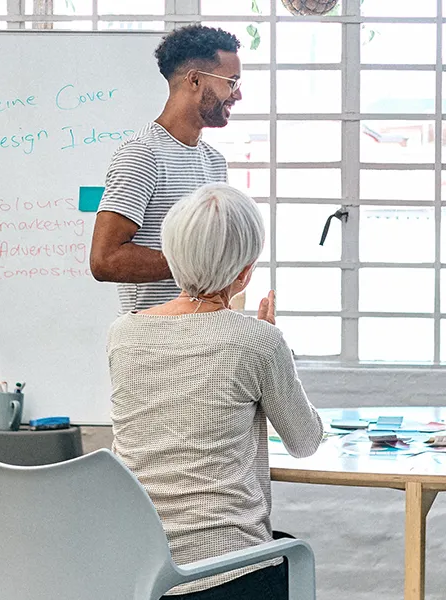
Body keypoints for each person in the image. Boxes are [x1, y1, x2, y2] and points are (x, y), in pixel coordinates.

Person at [108, 183, 322, 600]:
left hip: (140, 570)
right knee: (286, 549)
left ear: (170, 257)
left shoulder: (122, 334)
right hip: (227, 571)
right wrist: (272, 342)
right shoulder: (258, 341)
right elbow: (305, 441)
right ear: (244, 272)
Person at [91, 25, 244, 314]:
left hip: (205, 334)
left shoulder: (214, 161)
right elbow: (105, 260)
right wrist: (196, 266)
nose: (238, 96)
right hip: (152, 344)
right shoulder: (142, 155)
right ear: (195, 80)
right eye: (232, 82)